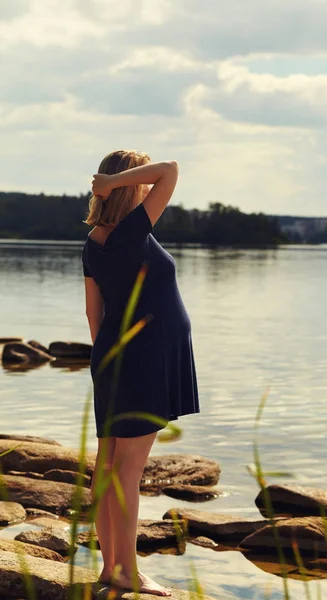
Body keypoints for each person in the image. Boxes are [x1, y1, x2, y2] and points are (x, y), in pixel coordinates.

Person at [81, 149, 200, 595]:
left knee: (109, 469)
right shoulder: (131, 231)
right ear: (127, 184)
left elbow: (95, 317)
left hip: (114, 358)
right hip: (145, 360)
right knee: (127, 471)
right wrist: (110, 183)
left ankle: (112, 567)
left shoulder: (95, 239)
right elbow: (170, 169)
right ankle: (127, 573)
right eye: (139, 181)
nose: (149, 187)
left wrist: (109, 364)